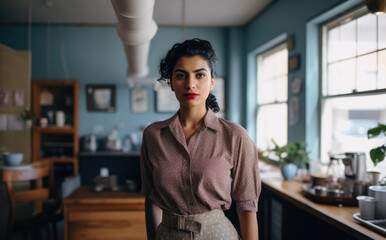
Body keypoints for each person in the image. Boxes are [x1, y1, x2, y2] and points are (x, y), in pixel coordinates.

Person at [140, 38, 261, 240]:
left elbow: (247, 207)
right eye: (181, 75)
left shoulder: (234, 135)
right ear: (171, 83)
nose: (190, 84)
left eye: (200, 75)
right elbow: (151, 198)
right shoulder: (153, 135)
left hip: (218, 234)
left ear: (212, 82)